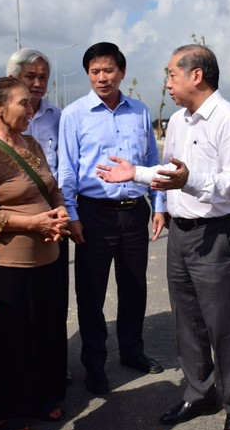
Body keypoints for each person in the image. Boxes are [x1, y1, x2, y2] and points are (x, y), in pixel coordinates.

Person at [96, 44, 230, 430]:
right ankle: (200, 392)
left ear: (196, 75)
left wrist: (192, 181)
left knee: (224, 323)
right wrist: (137, 173)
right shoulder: (180, 121)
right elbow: (171, 171)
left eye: (172, 74)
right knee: (186, 319)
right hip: (181, 233)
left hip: (216, 233)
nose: (167, 82)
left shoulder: (229, 120)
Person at [0, 48, 73, 388]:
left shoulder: (32, 144)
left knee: (48, 326)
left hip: (49, 254)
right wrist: (32, 224)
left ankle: (47, 393)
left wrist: (61, 211)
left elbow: (52, 187)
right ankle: (11, 409)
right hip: (10, 262)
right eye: (23, 102)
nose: (30, 107)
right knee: (14, 334)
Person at [58, 42, 164, 395]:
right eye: (94, 71)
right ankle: (94, 363)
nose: (101, 78)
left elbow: (151, 161)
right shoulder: (74, 114)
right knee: (91, 292)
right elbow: (67, 171)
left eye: (108, 70)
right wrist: (72, 215)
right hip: (94, 214)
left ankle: (132, 351)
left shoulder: (140, 112)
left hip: (134, 214)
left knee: (134, 287)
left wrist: (159, 205)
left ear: (122, 72)